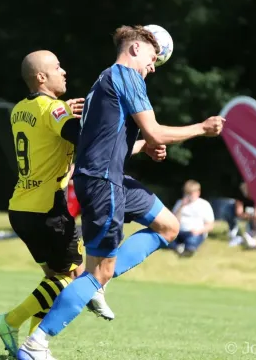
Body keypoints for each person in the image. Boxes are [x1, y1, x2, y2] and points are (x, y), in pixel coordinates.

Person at [16, 25, 224, 359]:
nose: (153, 67)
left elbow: (106, 142)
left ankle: (96, 280)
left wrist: (147, 145)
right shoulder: (127, 76)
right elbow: (154, 129)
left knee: (169, 226)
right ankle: (36, 343)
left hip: (110, 177)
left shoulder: (106, 80)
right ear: (135, 49)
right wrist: (202, 128)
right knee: (99, 270)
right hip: (103, 183)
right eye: (153, 58)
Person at [0, 50, 114, 357]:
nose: (64, 71)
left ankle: (33, 346)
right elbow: (80, 136)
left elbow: (49, 129)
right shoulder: (54, 109)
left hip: (21, 207)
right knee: (73, 278)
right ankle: (10, 320)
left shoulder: (19, 109)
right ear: (41, 77)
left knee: (54, 278)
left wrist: (63, 111)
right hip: (48, 209)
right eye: (57, 67)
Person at [169, 180, 215, 257]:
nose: (189, 196)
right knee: (166, 239)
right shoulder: (180, 203)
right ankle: (178, 247)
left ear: (198, 192)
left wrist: (199, 231)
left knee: (192, 241)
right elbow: (173, 221)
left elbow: (210, 225)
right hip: (179, 231)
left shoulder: (204, 204)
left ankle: (186, 249)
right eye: (187, 193)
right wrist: (181, 207)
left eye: (191, 193)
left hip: (194, 233)